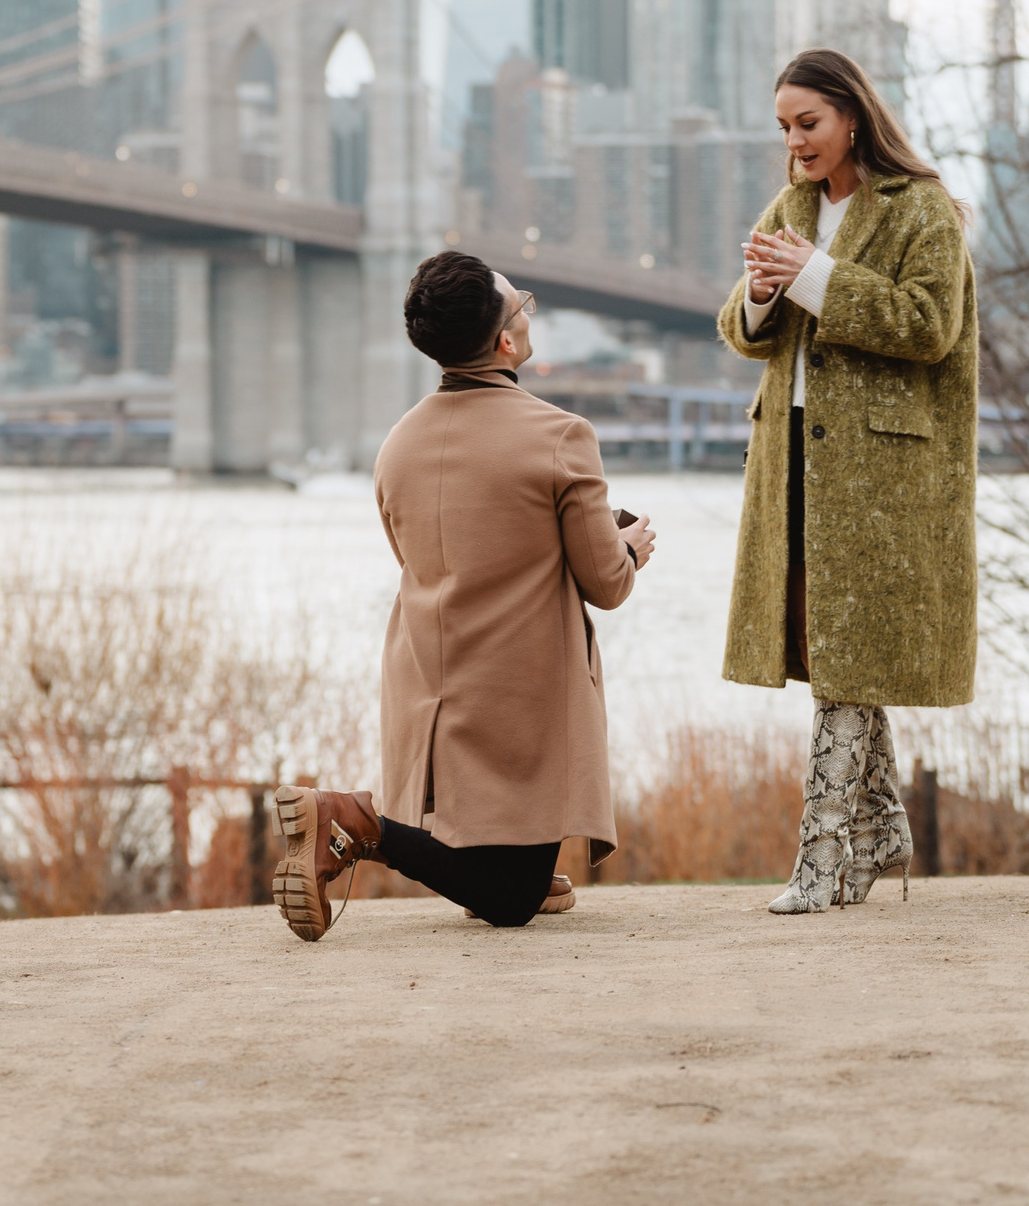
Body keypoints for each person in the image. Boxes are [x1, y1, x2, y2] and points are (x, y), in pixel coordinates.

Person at [270, 252, 656, 941]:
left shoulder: (398, 443)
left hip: (429, 686)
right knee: (509, 900)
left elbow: (426, 560)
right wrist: (628, 546)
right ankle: (352, 822)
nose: (527, 311)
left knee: (519, 886)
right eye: (521, 304)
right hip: (518, 701)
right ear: (506, 342)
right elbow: (606, 583)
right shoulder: (562, 436)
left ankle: (485, 864)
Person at [719, 46, 978, 914]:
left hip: (879, 479)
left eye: (808, 123)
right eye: (784, 127)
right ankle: (882, 832)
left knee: (846, 654)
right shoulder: (790, 207)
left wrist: (817, 277)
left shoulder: (922, 209)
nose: (794, 142)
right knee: (831, 645)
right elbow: (743, 329)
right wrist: (761, 293)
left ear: (852, 117)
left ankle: (825, 859)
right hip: (793, 460)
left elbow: (931, 324)